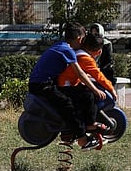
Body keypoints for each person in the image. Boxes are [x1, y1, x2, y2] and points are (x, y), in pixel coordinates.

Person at [28, 22, 106, 151]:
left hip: (46, 82)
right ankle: (82, 139)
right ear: (79, 39)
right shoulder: (67, 50)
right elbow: (80, 73)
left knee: (81, 95)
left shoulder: (62, 46)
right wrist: (95, 89)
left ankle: (85, 125)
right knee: (66, 104)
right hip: (41, 85)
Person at [57, 33, 117, 136]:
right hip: (66, 86)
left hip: (67, 83)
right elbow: (98, 75)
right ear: (99, 51)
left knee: (87, 91)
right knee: (89, 96)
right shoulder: (85, 58)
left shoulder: (79, 52)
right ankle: (90, 123)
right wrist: (111, 89)